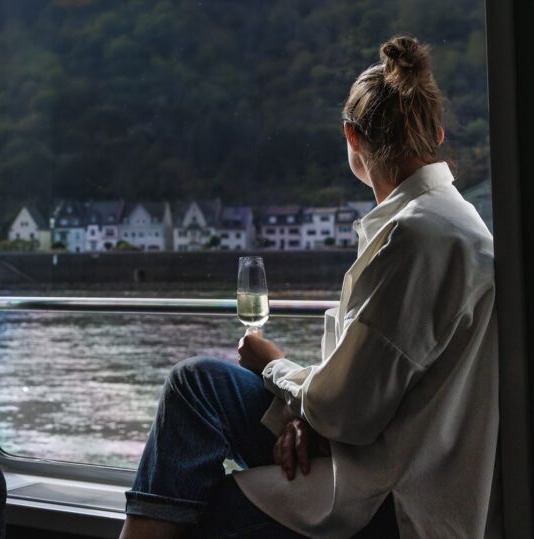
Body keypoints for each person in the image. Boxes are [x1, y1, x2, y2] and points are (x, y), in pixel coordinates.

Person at [120, 36, 500, 539]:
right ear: (437, 131)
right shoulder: (452, 222)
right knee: (199, 383)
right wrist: (303, 413)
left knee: (207, 494)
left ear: (352, 138)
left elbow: (348, 413)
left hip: (388, 497)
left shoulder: (416, 238)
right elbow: (370, 380)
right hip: (379, 446)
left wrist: (271, 363)